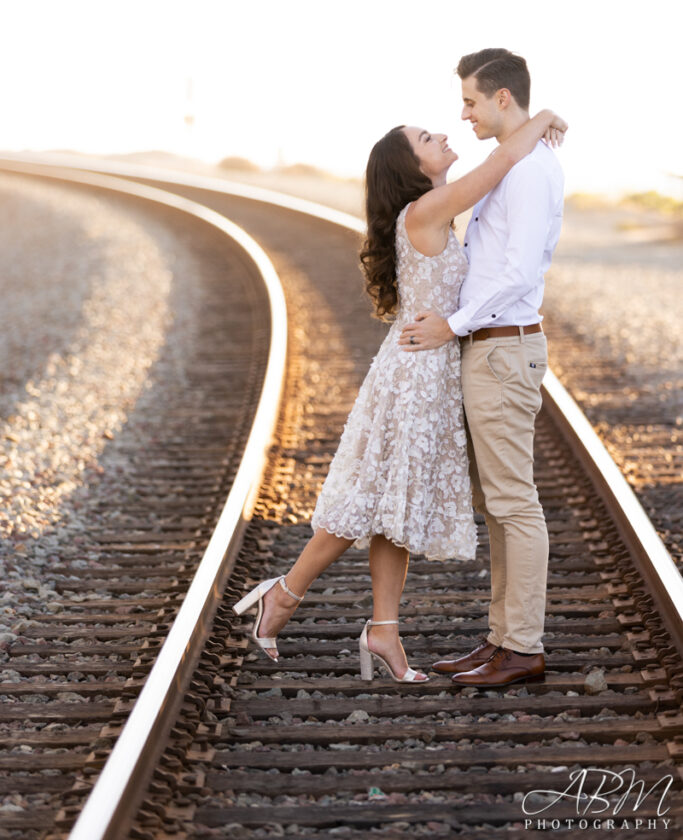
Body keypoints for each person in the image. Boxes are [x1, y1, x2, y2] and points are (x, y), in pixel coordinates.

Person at [233, 100, 566, 683]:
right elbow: (503, 161)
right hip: (415, 375)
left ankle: (383, 630)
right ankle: (283, 593)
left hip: (428, 368)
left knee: (396, 505)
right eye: (426, 137)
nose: (442, 133)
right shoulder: (430, 207)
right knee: (371, 497)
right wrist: (542, 118)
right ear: (411, 167)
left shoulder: (433, 210)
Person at [398, 48, 566, 688]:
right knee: (499, 503)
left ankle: (522, 647)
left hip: (500, 345)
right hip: (492, 347)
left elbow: (520, 272)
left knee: (513, 502)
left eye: (470, 100)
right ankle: (502, 640)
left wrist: (454, 325)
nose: (461, 112)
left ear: (502, 99)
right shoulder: (518, 163)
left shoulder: (527, 173)